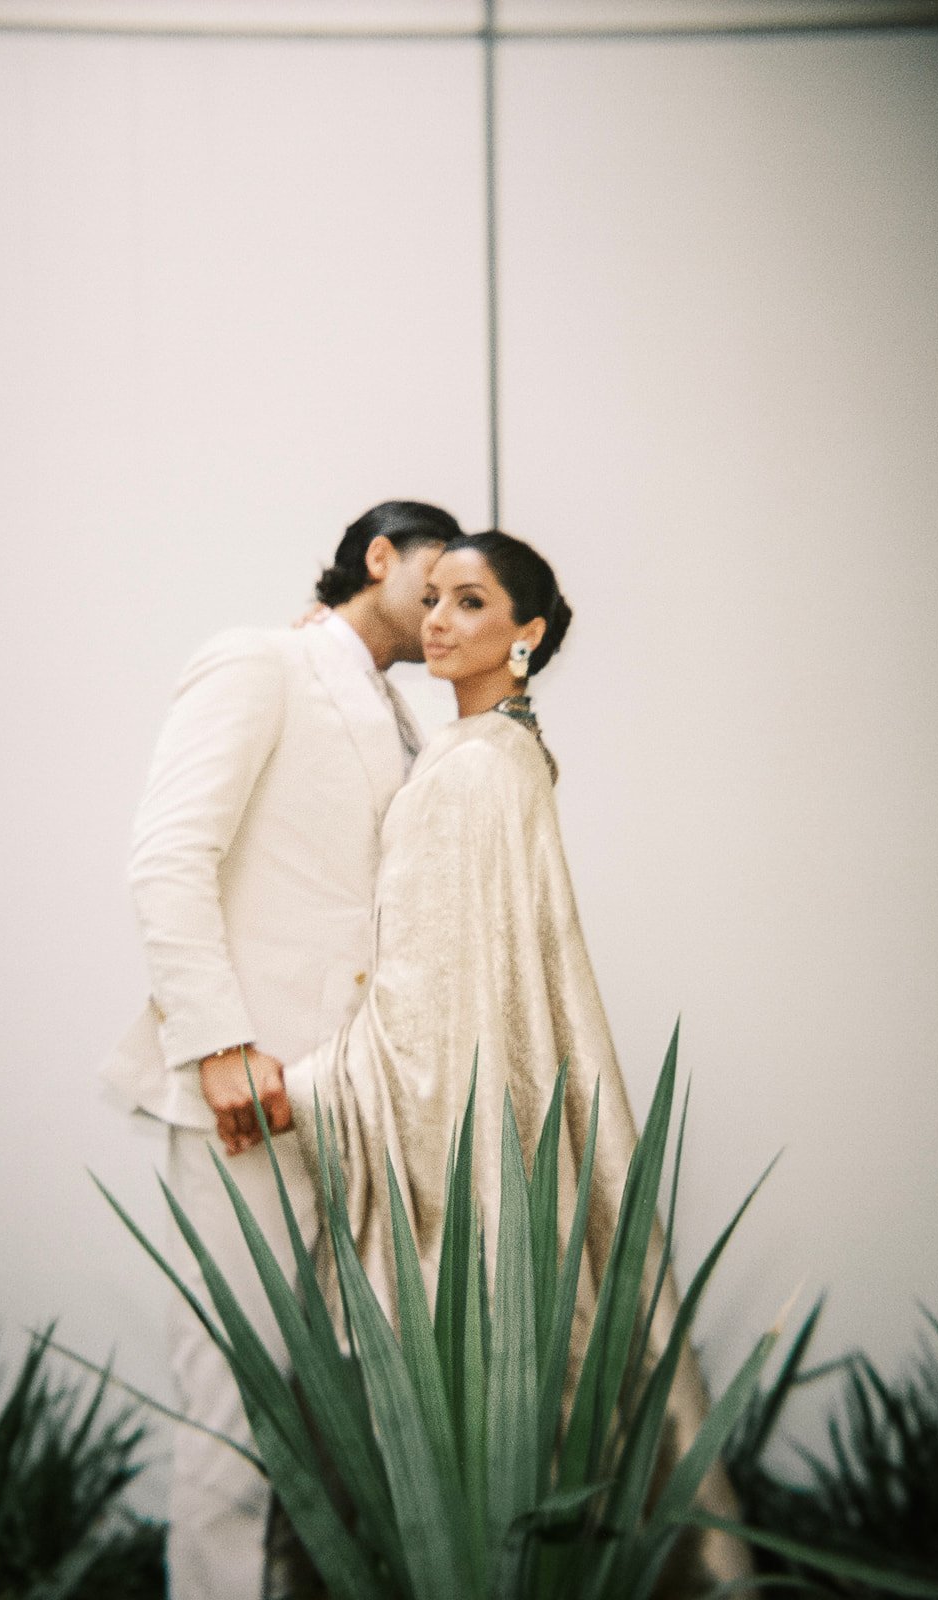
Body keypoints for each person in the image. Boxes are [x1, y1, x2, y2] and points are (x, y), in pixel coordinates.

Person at [279, 532, 753, 1588]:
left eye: (471, 602)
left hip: (458, 1141)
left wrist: (303, 1089)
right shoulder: (493, 751)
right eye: (433, 598)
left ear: (524, 634)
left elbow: (430, 1003)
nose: (440, 620)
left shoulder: (474, 774)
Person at [99, 499, 461, 1600]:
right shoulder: (259, 663)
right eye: (433, 580)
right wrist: (218, 1045)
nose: (444, 608)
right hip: (243, 1102)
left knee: (329, 1415)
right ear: (378, 555)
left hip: (351, 1106)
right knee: (231, 1407)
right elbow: (169, 857)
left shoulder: (410, 722)